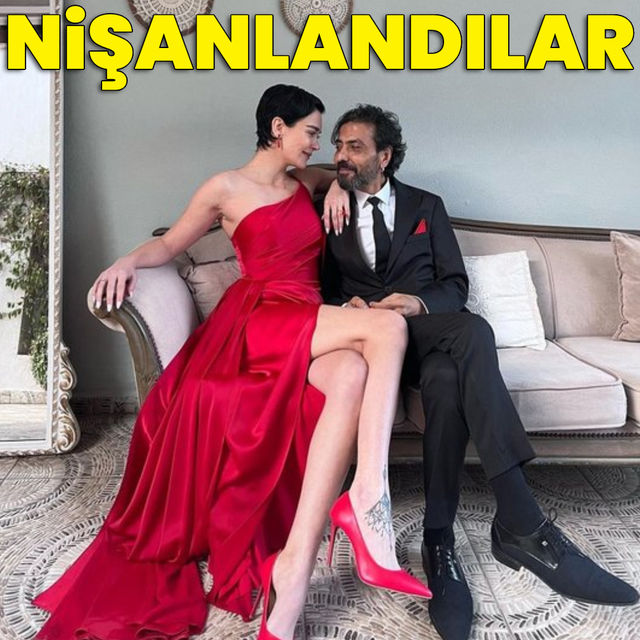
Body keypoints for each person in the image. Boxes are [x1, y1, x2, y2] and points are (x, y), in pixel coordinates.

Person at [32, 86, 431, 640]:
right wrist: (125, 262)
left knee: (352, 372)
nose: (318, 145)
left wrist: (339, 186)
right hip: (260, 314)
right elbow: (169, 245)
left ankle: (292, 572)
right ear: (278, 128)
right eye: (311, 133)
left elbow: (343, 176)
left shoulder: (306, 181)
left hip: (306, 313)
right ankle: (369, 497)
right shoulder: (224, 187)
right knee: (388, 326)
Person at [321, 104, 639, 640]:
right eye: (337, 146)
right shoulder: (328, 208)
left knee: (451, 367)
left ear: (385, 155)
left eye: (355, 147)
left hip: (426, 332)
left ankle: (438, 540)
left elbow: (454, 284)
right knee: (471, 336)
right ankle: (520, 520)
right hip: (371, 343)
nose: (341, 156)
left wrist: (417, 304)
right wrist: (345, 306)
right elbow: (321, 284)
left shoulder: (427, 206)